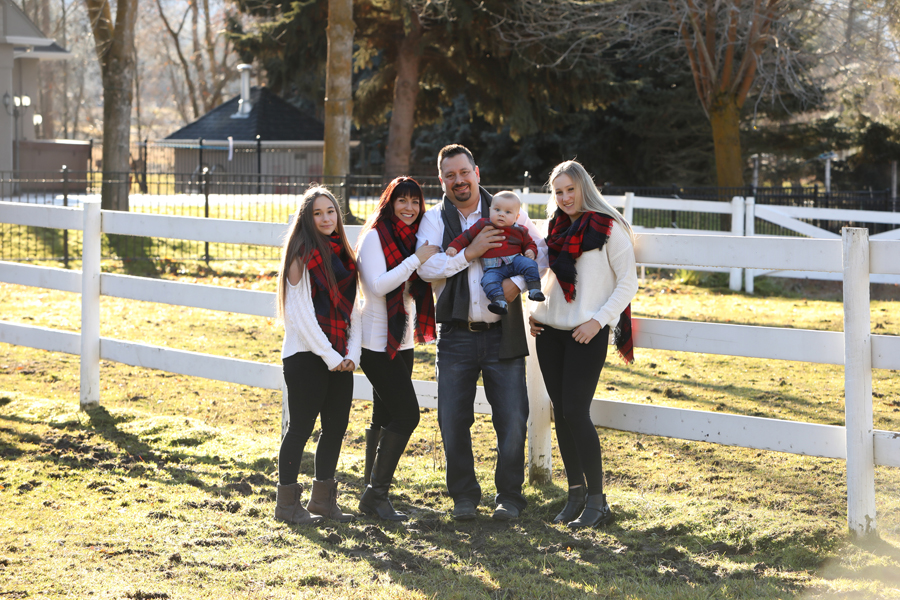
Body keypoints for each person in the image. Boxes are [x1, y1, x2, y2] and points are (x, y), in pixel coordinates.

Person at [416, 144, 547, 521]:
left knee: (512, 417)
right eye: (450, 175)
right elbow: (427, 268)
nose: (458, 181)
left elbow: (539, 252)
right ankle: (464, 498)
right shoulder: (435, 220)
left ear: (477, 172)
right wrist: (469, 253)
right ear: (442, 180)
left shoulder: (506, 210)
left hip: (500, 332)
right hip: (456, 334)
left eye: (463, 172)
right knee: (452, 420)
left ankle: (509, 497)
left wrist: (518, 284)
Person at [528, 160, 638, 529]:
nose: (564, 197)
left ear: (584, 188)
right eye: (558, 192)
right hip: (550, 331)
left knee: (576, 411)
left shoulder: (608, 228)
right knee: (562, 412)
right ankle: (574, 493)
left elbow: (628, 283)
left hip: (586, 333)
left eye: (570, 189)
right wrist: (536, 310)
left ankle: (597, 500)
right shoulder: (556, 227)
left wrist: (598, 321)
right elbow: (546, 277)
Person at [355, 177, 441, 521]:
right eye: (402, 200)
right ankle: (376, 496)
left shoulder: (413, 238)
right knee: (408, 415)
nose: (409, 207)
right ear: (389, 202)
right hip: (375, 342)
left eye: (415, 202)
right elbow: (377, 286)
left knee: (385, 414)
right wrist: (417, 260)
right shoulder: (376, 236)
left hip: (402, 340)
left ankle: (371, 491)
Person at [274, 186, 360, 525]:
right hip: (306, 356)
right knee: (301, 428)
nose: (326, 218)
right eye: (318, 213)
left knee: (336, 426)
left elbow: (354, 309)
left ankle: (323, 502)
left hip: (339, 355)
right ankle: (286, 505)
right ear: (307, 219)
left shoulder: (343, 256)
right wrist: (330, 356)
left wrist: (351, 353)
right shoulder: (301, 254)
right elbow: (301, 315)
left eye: (330, 211)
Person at [446, 190, 545, 315]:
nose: (501, 214)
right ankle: (498, 301)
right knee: (488, 281)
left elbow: (530, 243)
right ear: (490, 210)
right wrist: (454, 246)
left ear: (517, 217)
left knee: (530, 264)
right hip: (493, 267)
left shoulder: (520, 230)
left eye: (508, 212)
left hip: (515, 261)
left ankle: (534, 289)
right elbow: (466, 236)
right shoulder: (482, 224)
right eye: (497, 210)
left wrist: (531, 251)